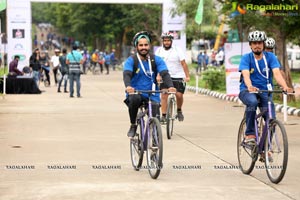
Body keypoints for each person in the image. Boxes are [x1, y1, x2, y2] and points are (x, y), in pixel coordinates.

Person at [238, 30, 293, 144]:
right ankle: (250, 134)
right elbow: (246, 74)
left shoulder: (271, 57)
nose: (257, 45)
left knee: (271, 119)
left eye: (259, 43)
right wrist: (250, 86)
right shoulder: (246, 58)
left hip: (265, 92)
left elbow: (277, 73)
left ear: (263, 44)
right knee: (252, 103)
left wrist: (285, 87)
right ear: (250, 45)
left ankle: (265, 148)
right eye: (254, 43)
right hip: (247, 91)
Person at [123, 31, 176, 138]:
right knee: (134, 99)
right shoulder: (131, 60)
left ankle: (155, 144)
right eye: (141, 45)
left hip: (152, 94)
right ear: (136, 46)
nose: (144, 47)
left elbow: (164, 73)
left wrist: (170, 86)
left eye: (146, 45)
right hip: (136, 92)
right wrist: (128, 86)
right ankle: (133, 125)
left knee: (155, 119)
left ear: (149, 46)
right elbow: (127, 74)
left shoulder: (156, 60)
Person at [155, 32, 190, 123]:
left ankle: (179, 110)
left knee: (179, 95)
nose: (166, 42)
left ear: (171, 41)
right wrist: (158, 75)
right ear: (162, 41)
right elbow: (157, 65)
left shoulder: (177, 50)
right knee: (164, 94)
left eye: (168, 41)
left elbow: (183, 63)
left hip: (178, 76)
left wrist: (187, 76)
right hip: (164, 76)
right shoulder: (159, 51)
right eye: (165, 41)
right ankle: (163, 115)